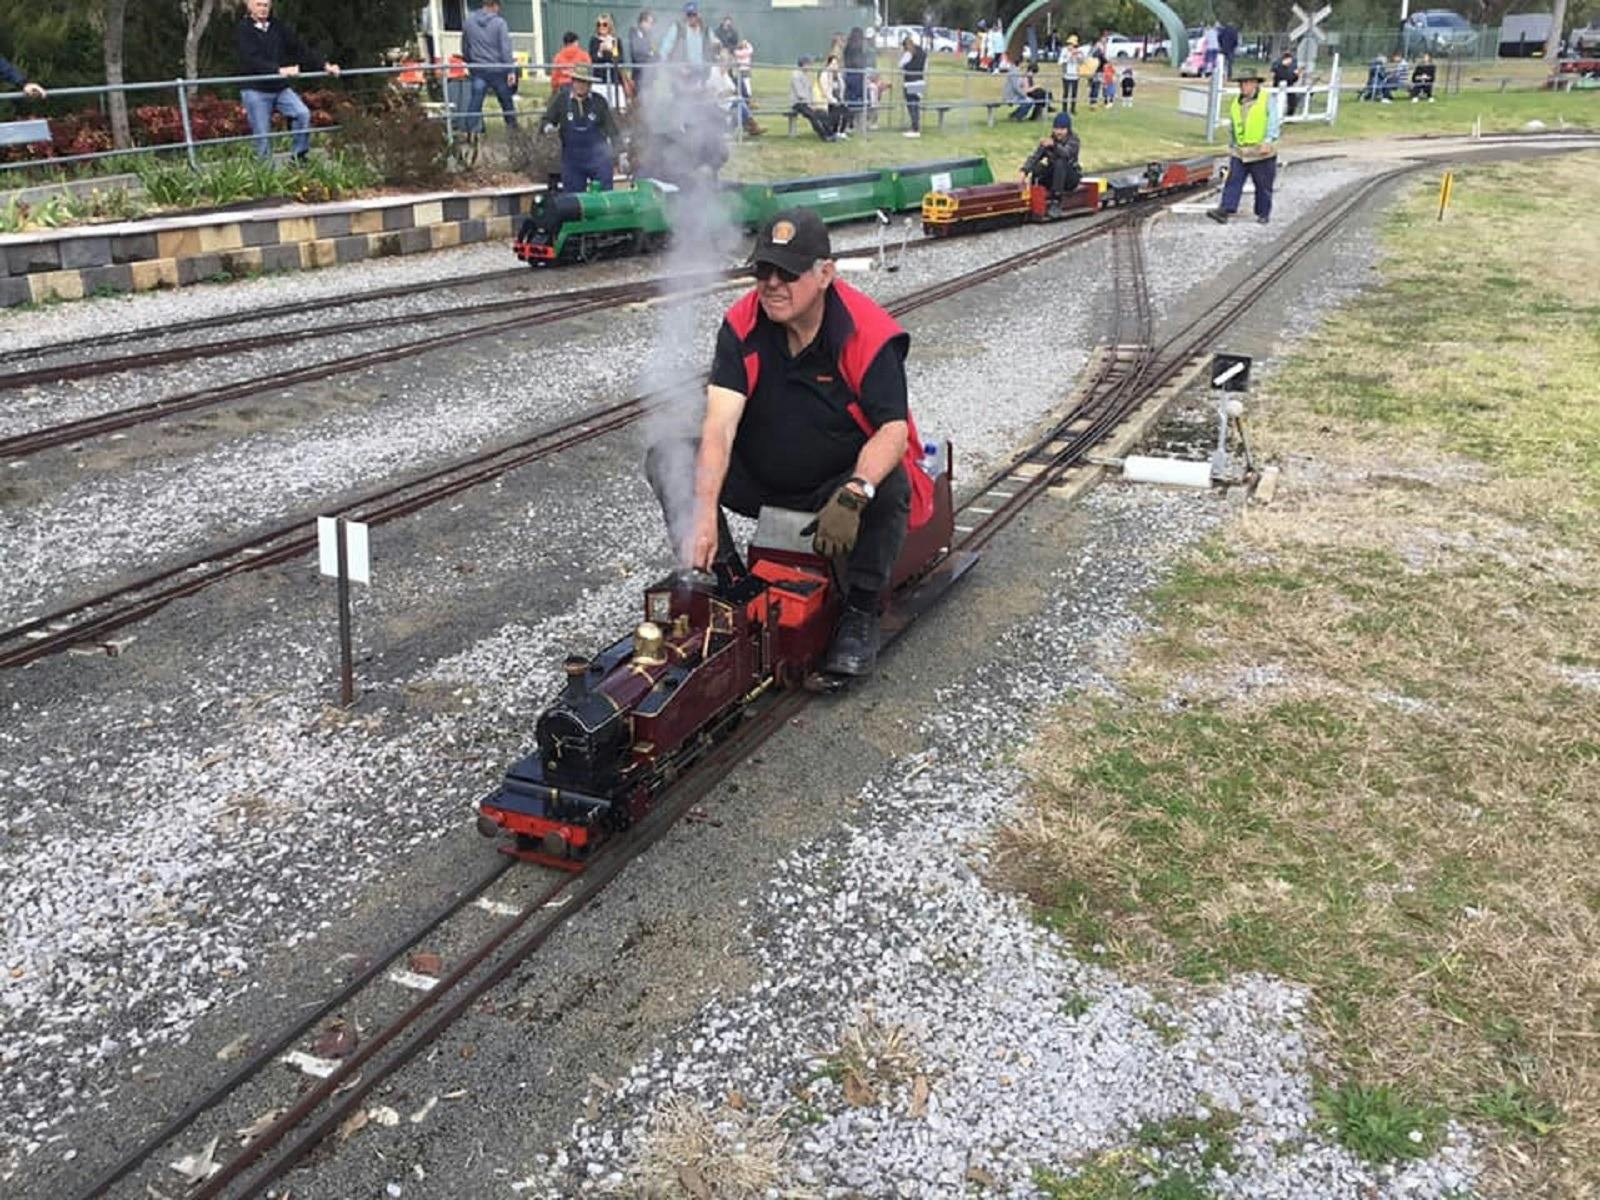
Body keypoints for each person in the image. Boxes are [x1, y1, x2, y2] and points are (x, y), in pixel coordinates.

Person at [647, 209, 925, 677]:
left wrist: (855, 493)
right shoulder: (742, 325)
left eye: (788, 274)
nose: (772, 284)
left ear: (825, 274)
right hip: (758, 477)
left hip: (829, 490)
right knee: (667, 458)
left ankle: (860, 611)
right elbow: (719, 426)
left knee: (891, 483)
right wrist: (703, 513)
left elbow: (893, 432)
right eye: (764, 271)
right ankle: (729, 581)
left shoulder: (868, 332)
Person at [236, 0, 340, 162]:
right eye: (259, 5)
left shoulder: (277, 27)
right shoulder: (243, 30)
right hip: (255, 90)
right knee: (262, 134)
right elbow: (251, 59)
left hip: (279, 88)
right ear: (250, 6)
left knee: (302, 114)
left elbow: (300, 48)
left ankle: (299, 158)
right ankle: (265, 172)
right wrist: (279, 70)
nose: (263, 9)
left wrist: (325, 65)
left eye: (266, 5)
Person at [1207, 71, 1279, 226]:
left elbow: (1273, 121)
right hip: (1241, 151)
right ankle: (1225, 209)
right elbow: (1234, 125)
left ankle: (1263, 213)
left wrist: (1268, 141)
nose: (1242, 86)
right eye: (1241, 83)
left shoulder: (1266, 99)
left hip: (1261, 151)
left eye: (1246, 83)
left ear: (1255, 84)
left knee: (1263, 185)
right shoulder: (1236, 103)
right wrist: (1232, 144)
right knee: (1233, 180)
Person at [543, 64, 617, 193]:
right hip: (572, 159)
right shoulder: (561, 100)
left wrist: (621, 153)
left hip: (598, 158)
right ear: (573, 81)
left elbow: (612, 129)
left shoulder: (599, 101)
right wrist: (548, 128)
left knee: (604, 195)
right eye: (578, 81)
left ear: (590, 84)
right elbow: (547, 119)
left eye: (585, 82)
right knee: (574, 199)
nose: (581, 85)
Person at [463, 0, 519, 134]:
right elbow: (505, 49)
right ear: (495, 6)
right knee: (506, 101)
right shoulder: (500, 23)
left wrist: (470, 63)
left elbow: (465, 46)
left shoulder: (469, 22)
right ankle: (513, 130)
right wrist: (510, 70)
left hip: (478, 69)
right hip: (497, 69)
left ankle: (469, 130)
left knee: (475, 101)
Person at [1021, 112, 1082, 216]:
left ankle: (1056, 201)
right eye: (1056, 128)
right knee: (1037, 167)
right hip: (1054, 176)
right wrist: (1025, 170)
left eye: (1062, 129)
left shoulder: (1074, 141)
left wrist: (1054, 146)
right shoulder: (1050, 141)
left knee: (1060, 162)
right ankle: (1034, 197)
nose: (1059, 132)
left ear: (1068, 129)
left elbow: (1066, 153)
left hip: (1069, 178)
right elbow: (1035, 157)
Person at [790, 55, 837, 140]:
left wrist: (813, 104)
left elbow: (810, 91)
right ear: (803, 64)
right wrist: (809, 104)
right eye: (808, 64)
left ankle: (830, 133)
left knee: (822, 113)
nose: (810, 66)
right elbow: (800, 94)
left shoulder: (806, 75)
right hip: (798, 103)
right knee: (813, 116)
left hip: (807, 103)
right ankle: (824, 136)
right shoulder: (796, 75)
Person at [659, 1, 713, 73]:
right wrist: (663, 65)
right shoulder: (678, 28)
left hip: (702, 72)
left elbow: (714, 43)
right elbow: (666, 47)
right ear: (685, 15)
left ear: (698, 14)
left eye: (694, 14)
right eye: (689, 14)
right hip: (682, 73)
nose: (691, 17)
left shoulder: (706, 30)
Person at [589, 13, 626, 110]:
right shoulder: (594, 41)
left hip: (614, 80)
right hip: (599, 80)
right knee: (598, 108)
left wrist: (611, 51)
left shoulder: (616, 41)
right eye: (599, 24)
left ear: (609, 26)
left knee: (617, 108)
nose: (601, 27)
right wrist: (600, 51)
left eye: (604, 24)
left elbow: (620, 60)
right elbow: (593, 59)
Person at [842, 27, 870, 131]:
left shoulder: (850, 47)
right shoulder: (854, 48)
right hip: (854, 75)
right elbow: (856, 62)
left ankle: (855, 124)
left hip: (854, 75)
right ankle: (853, 124)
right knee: (855, 99)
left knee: (855, 99)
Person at [900, 33, 927, 138]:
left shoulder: (908, 53)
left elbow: (901, 64)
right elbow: (925, 67)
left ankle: (915, 128)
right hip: (920, 80)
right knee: (916, 105)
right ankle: (916, 126)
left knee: (911, 106)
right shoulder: (923, 53)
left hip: (910, 81)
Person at [818, 54, 850, 139]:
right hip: (827, 100)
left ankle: (841, 131)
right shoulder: (824, 74)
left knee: (846, 111)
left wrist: (841, 99)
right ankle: (834, 131)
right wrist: (833, 100)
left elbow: (842, 87)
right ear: (829, 64)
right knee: (836, 111)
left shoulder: (838, 75)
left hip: (838, 98)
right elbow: (825, 90)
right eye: (833, 63)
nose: (835, 66)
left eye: (836, 64)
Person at [628, 11, 657, 91]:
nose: (651, 26)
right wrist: (650, 55)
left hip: (649, 77)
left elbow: (656, 54)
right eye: (650, 23)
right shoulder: (634, 33)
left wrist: (652, 55)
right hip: (639, 76)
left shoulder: (649, 36)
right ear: (643, 22)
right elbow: (637, 55)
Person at [1059, 34, 1084, 114]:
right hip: (1066, 75)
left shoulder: (1078, 51)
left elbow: (1082, 62)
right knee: (1065, 93)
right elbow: (1060, 62)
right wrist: (1070, 55)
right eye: (1071, 44)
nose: (1072, 46)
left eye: (1074, 45)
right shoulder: (1064, 51)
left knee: (1074, 93)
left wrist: (1079, 55)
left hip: (1075, 75)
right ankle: (1064, 109)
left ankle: (1073, 109)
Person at [1271, 50, 1300, 116]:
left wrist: (1296, 75)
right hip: (1278, 85)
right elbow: (1273, 74)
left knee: (1292, 102)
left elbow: (1295, 78)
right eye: (1288, 61)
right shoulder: (1276, 63)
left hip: (1290, 85)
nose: (1289, 63)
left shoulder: (1293, 64)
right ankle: (1275, 115)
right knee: (1275, 101)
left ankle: (1289, 115)